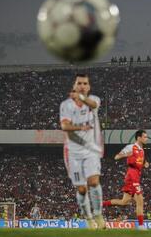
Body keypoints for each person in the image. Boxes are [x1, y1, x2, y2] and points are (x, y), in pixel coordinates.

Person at [60, 73, 105, 229]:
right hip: (73, 153)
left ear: (89, 86)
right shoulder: (66, 105)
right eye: (79, 83)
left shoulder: (94, 100)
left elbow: (94, 105)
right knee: (81, 188)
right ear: (74, 85)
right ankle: (88, 218)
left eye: (85, 83)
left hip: (91, 150)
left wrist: (81, 97)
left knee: (94, 182)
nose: (82, 86)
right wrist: (80, 127)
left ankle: (98, 214)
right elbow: (65, 126)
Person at [103, 130, 149, 229]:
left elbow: (141, 160)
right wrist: (125, 155)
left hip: (136, 176)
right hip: (132, 176)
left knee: (124, 201)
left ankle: (101, 204)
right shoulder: (131, 147)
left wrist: (145, 163)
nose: (146, 138)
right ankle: (141, 226)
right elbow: (116, 157)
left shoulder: (142, 150)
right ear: (139, 138)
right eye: (145, 137)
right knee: (140, 200)